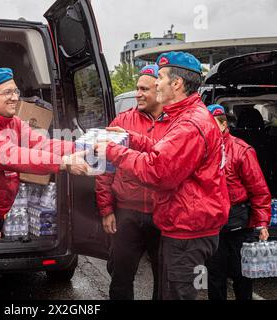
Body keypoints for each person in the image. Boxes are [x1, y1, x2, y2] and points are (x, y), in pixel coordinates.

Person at [94, 51, 230, 300]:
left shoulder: (189, 124)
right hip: (181, 224)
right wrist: (132, 138)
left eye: (161, 78)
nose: (156, 83)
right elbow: (166, 153)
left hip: (186, 230)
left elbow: (156, 170)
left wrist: (113, 150)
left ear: (176, 84)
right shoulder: (187, 117)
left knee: (174, 293)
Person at [0, 68, 89, 300]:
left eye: (15, 90)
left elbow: (40, 145)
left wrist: (81, 148)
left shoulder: (11, 122)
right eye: (7, 92)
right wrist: (63, 162)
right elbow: (10, 155)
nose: (15, 96)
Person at [95, 65, 169, 300]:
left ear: (160, 91)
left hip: (164, 215)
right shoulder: (122, 121)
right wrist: (106, 210)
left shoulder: (178, 123)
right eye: (137, 88)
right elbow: (104, 169)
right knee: (121, 278)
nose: (137, 94)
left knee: (165, 280)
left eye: (144, 89)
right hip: (127, 213)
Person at [205, 104, 271, 300]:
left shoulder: (241, 150)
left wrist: (261, 224)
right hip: (212, 225)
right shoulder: (201, 149)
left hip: (239, 225)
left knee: (242, 275)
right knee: (214, 276)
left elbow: (259, 191)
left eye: (211, 124)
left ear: (224, 124)